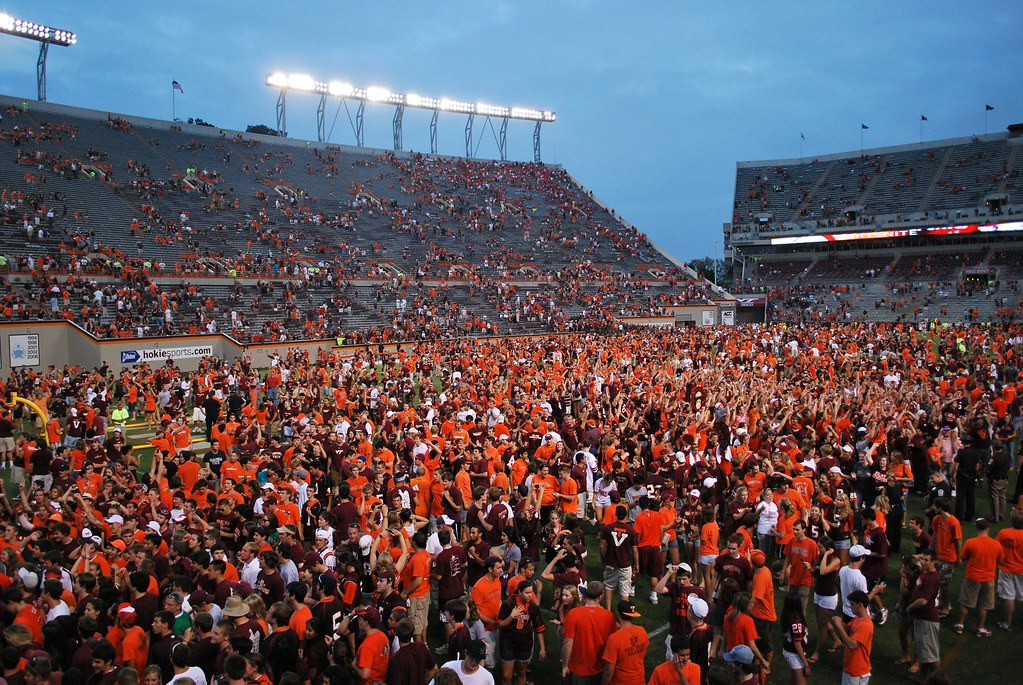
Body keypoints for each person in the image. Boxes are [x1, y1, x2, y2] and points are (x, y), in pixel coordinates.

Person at [562, 581, 617, 685]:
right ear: (600, 597)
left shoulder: (574, 614)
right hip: (601, 668)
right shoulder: (608, 616)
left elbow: (568, 643)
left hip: (579, 670)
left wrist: (565, 665)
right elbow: (612, 643)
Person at [955, 517, 1003, 636]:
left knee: (965, 602)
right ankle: (980, 628)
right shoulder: (996, 544)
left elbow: (964, 557)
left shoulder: (970, 542)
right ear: (988, 528)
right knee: (984, 605)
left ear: (976, 528)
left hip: (972, 577)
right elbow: (1000, 561)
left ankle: (960, 625)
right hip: (988, 578)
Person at [496, 581, 545, 685]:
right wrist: (512, 616)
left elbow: (538, 627)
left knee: (522, 673)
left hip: (525, 644)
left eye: (531, 592)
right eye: (527, 593)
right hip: (508, 644)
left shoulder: (532, 605)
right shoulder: (508, 604)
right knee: (506, 676)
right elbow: (500, 625)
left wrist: (542, 648)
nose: (530, 595)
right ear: (519, 592)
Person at [907, 551, 941, 681]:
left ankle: (937, 681)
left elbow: (923, 601)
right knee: (924, 654)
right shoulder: (924, 573)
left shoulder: (932, 578)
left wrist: (909, 607)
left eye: (927, 560)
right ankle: (924, 680)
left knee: (931, 655)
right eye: (922, 559)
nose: (923, 562)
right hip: (921, 618)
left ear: (934, 562)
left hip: (927, 619)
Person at [831, 590, 874, 685]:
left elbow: (852, 645)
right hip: (851, 667)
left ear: (860, 605)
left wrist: (839, 626)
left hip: (857, 671)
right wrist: (840, 622)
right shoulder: (857, 618)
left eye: (852, 604)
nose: (850, 607)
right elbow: (848, 629)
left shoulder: (865, 625)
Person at [602, 601, 649, 685]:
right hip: (640, 680)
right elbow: (643, 652)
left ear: (618, 614)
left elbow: (609, 671)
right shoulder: (642, 631)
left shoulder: (614, 639)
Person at [996, 507, 1023, 630]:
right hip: (1021, 570)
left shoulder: (1004, 533)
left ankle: (1007, 623)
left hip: (1006, 569)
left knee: (1009, 597)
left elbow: (996, 548)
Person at [779, 595, 810, 685]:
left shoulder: (787, 616)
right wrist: (806, 664)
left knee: (793, 680)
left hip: (789, 651)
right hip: (794, 654)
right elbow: (797, 645)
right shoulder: (796, 622)